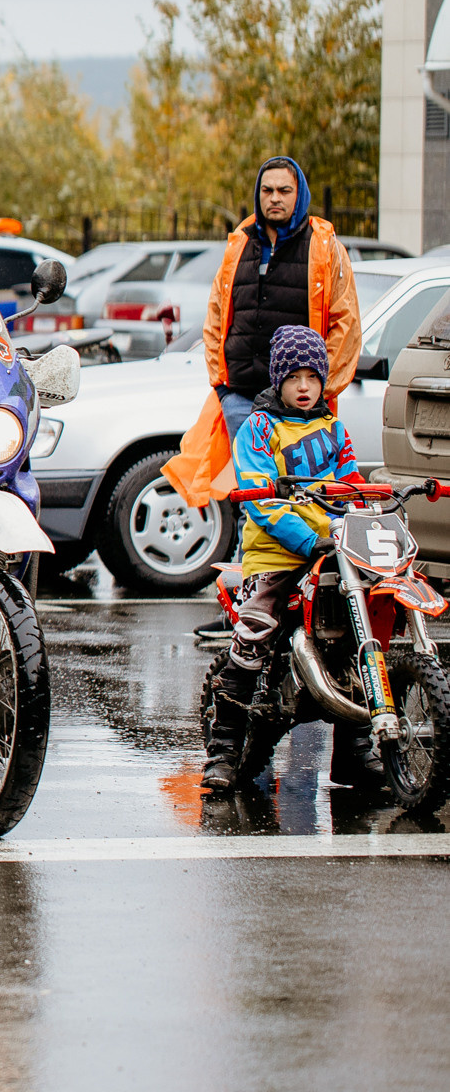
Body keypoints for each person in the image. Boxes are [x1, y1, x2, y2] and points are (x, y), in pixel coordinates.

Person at [202, 326, 376, 792]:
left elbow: (351, 481)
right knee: (254, 634)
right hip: (277, 551)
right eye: (294, 377)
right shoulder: (260, 427)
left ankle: (358, 754)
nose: (304, 387)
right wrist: (306, 539)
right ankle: (222, 753)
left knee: (359, 640)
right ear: (278, 379)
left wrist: (363, 507)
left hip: (333, 547)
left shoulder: (333, 427)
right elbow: (260, 498)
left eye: (312, 377)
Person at [165, 156, 360, 507]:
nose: (275, 198)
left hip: (300, 403)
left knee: (303, 498)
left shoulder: (324, 246)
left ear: (298, 195)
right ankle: (252, 562)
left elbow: (346, 324)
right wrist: (222, 385)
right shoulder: (240, 242)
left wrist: (317, 389)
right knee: (249, 500)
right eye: (267, 190)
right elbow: (216, 316)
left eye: (284, 190)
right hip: (240, 398)